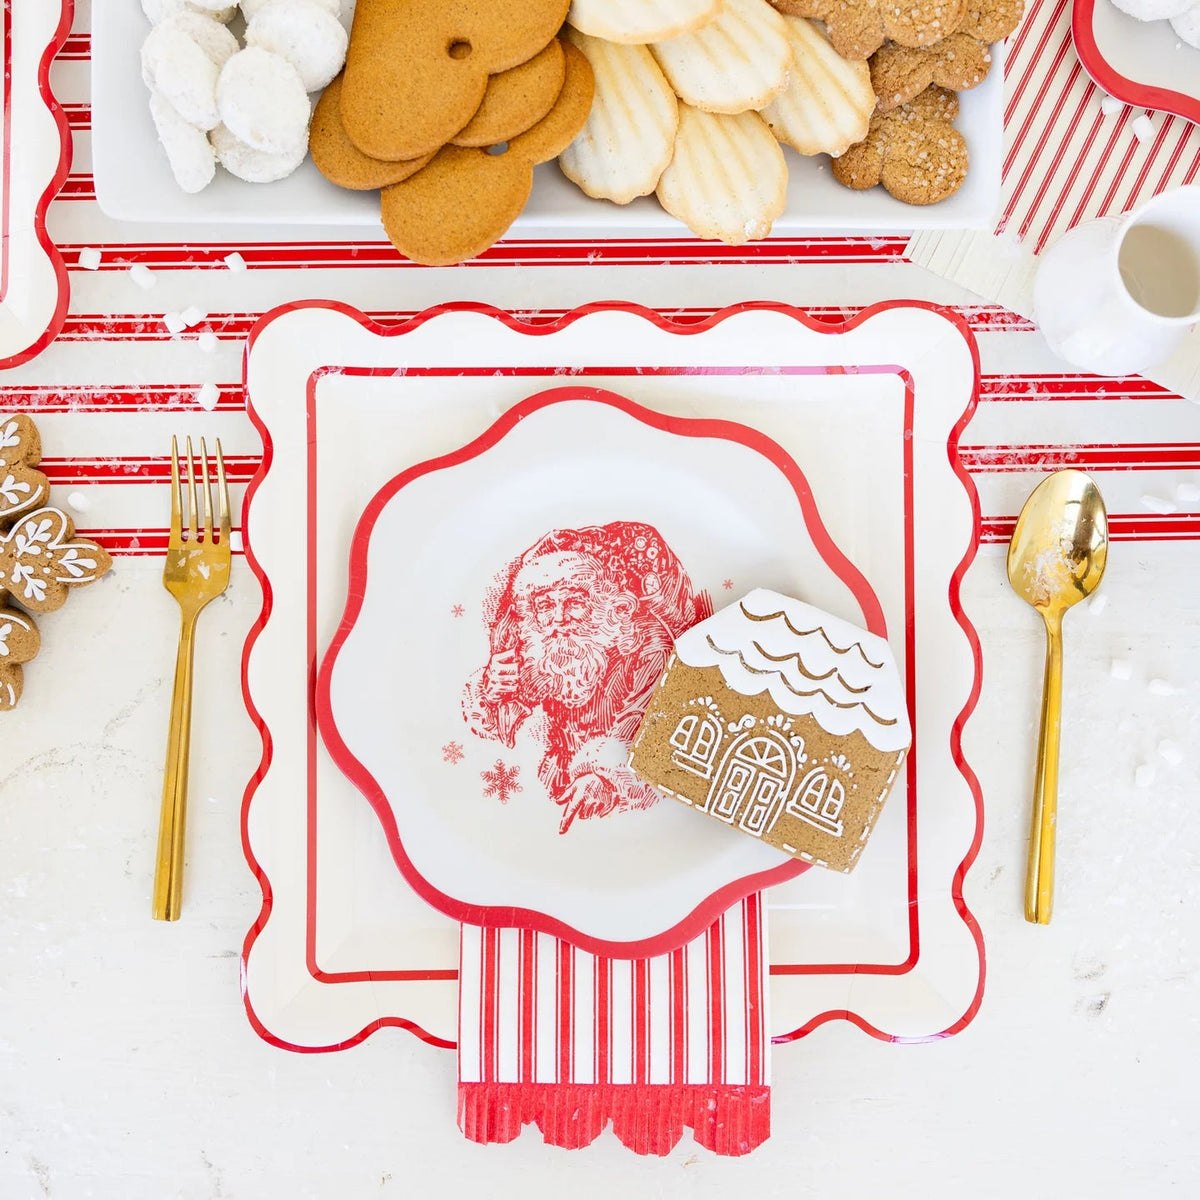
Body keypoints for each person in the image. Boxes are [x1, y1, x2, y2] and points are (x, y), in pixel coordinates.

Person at [462, 522, 710, 833]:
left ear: (613, 606)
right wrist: (490, 689)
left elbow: (653, 733)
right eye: (545, 605)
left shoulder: (649, 645)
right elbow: (501, 721)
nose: (559, 618)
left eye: (575, 602)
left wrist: (606, 777)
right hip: (557, 784)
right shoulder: (543, 647)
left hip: (632, 800)